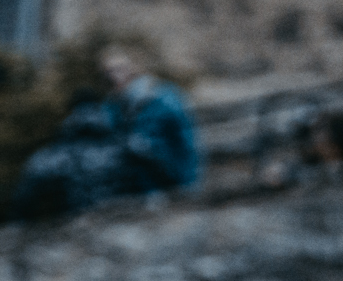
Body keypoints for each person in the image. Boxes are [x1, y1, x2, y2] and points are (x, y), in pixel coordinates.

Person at [12, 46, 201, 217]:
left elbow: (185, 141)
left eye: (119, 68)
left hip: (171, 179)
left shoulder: (163, 97)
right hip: (139, 189)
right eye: (108, 72)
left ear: (133, 68)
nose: (114, 76)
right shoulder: (112, 107)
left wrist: (188, 182)